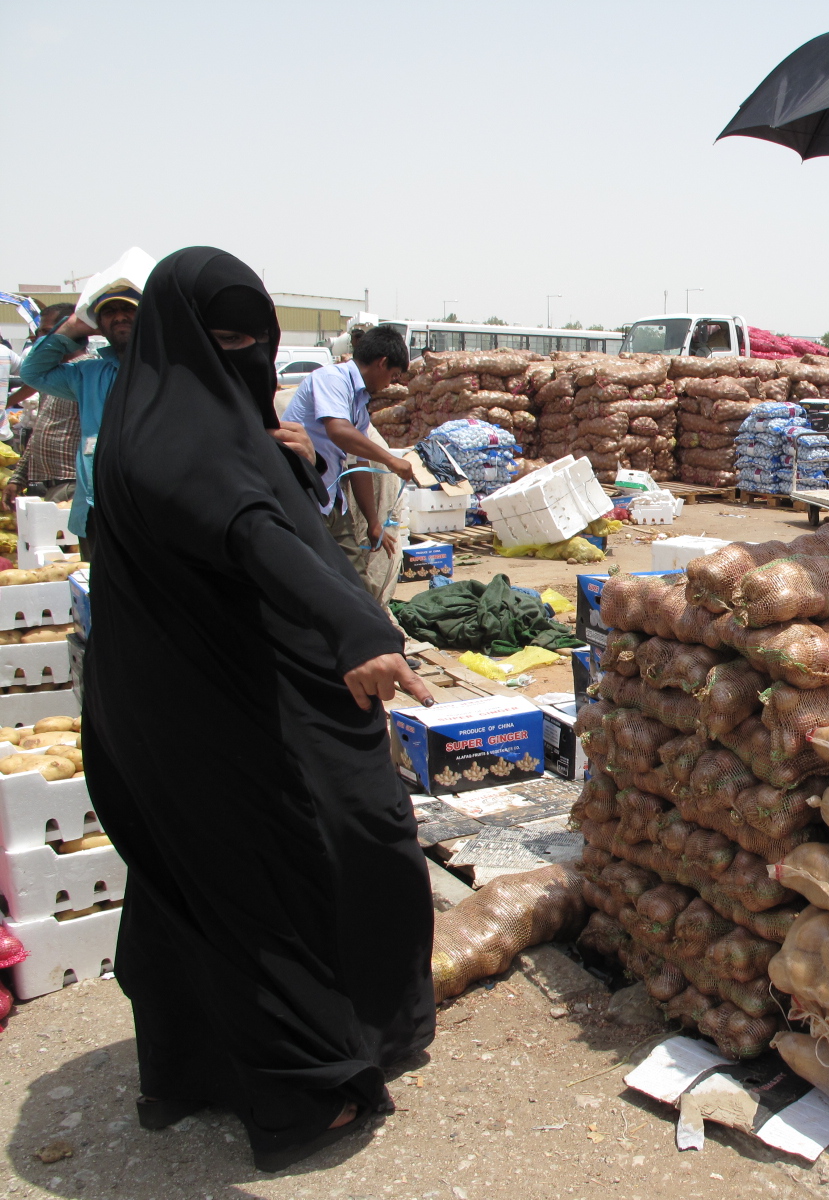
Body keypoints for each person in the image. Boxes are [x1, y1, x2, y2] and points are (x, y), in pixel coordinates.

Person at [84, 246, 436, 1172]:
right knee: (275, 870)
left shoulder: (188, 419)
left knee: (192, 883)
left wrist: (290, 464)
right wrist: (356, 629)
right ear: (179, 337)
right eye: (224, 338)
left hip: (188, 690)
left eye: (256, 339)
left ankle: (186, 1065)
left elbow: (263, 510)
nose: (241, 356)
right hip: (196, 707)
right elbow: (248, 531)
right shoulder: (172, 441)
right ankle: (300, 1091)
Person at [279, 325, 415, 584]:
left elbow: (357, 460)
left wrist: (374, 522)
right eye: (393, 375)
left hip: (331, 502)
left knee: (355, 583)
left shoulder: (359, 405)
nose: (389, 384)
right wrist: (391, 460)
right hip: (301, 496)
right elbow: (338, 431)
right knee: (311, 582)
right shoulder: (332, 379)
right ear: (382, 363)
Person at [17, 288, 141, 556]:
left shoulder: (168, 371)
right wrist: (72, 326)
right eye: (109, 312)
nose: (119, 316)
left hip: (148, 511)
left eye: (128, 309)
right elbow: (33, 373)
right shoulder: (88, 374)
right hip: (97, 510)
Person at [8, 305, 82, 507]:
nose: (38, 338)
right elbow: (42, 428)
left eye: (46, 332)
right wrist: (18, 478)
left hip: (76, 485)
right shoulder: (50, 376)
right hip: (54, 485)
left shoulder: (87, 374)